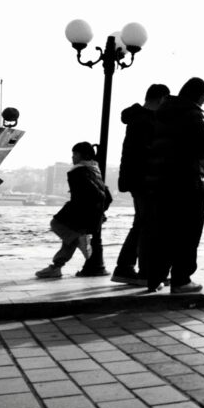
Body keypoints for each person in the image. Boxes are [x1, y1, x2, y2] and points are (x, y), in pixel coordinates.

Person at [142, 77, 204, 294]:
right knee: (188, 232)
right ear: (197, 95)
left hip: (162, 182)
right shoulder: (193, 113)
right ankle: (181, 280)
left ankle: (154, 279)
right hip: (188, 183)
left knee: (163, 232)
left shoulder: (163, 113)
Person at [112, 83, 169, 286]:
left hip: (137, 179)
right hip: (146, 179)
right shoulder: (146, 121)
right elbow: (148, 152)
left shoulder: (136, 118)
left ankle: (127, 268)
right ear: (162, 99)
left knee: (142, 223)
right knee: (146, 225)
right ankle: (140, 271)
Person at [36, 142, 109, 279]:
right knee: (69, 240)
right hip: (92, 215)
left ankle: (79, 241)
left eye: (75, 154)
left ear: (84, 155)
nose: (72, 158)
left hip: (78, 212)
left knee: (56, 224)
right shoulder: (95, 170)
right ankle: (56, 267)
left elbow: (90, 193)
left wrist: (77, 206)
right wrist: (99, 211)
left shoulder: (78, 171)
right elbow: (105, 195)